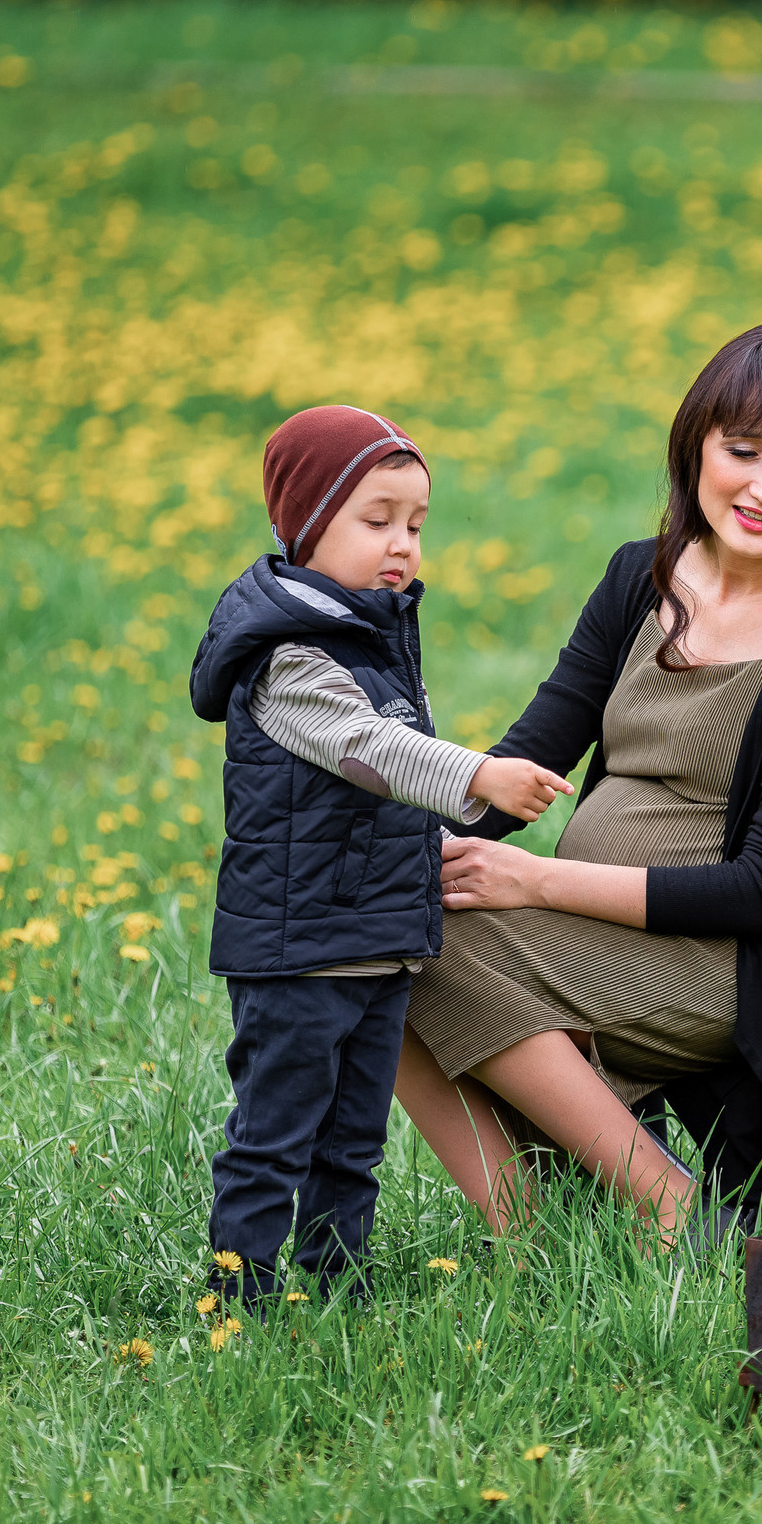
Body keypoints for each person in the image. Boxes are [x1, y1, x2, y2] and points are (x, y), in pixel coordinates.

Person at [392, 323, 762, 1240]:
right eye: (743, 451)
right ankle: (535, 1229)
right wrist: (394, 849)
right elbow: (528, 753)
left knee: (435, 952)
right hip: (596, 932)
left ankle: (673, 1213)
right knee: (374, 923)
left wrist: (532, 881)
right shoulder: (639, 576)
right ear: (696, 444)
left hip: (742, 967)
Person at [188, 406, 572, 1301]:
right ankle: (237, 1292)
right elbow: (374, 752)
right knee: (277, 1131)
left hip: (374, 941)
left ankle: (336, 1284)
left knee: (355, 1139)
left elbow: (373, 792)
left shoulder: (374, 634)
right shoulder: (289, 656)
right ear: (304, 525)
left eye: (416, 523)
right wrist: (480, 777)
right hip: (301, 947)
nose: (402, 544)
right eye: (376, 520)